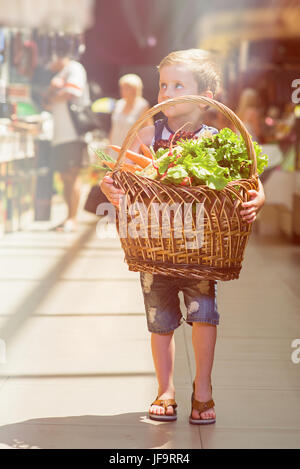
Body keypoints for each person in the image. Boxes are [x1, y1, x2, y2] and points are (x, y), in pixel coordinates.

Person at [100, 49, 266, 424]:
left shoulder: (215, 139)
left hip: (201, 245)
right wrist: (109, 187)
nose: (166, 93)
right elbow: (116, 173)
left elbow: (249, 180)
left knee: (204, 315)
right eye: (163, 85)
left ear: (204, 98)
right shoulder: (147, 133)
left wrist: (260, 198)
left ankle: (203, 389)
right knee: (160, 320)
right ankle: (165, 389)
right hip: (153, 242)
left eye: (178, 85)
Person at [43, 38, 90, 232]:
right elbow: (46, 102)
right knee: (64, 177)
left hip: (73, 134)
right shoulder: (60, 74)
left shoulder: (74, 68)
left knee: (72, 176)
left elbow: (73, 91)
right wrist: (53, 90)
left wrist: (54, 93)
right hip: (60, 136)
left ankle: (73, 219)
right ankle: (67, 218)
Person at [108, 74, 152, 157]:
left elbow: (148, 129)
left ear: (135, 89)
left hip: (131, 150)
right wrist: (108, 147)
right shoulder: (119, 104)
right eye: (122, 88)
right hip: (115, 147)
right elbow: (113, 128)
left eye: (127, 88)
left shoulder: (142, 105)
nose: (123, 91)